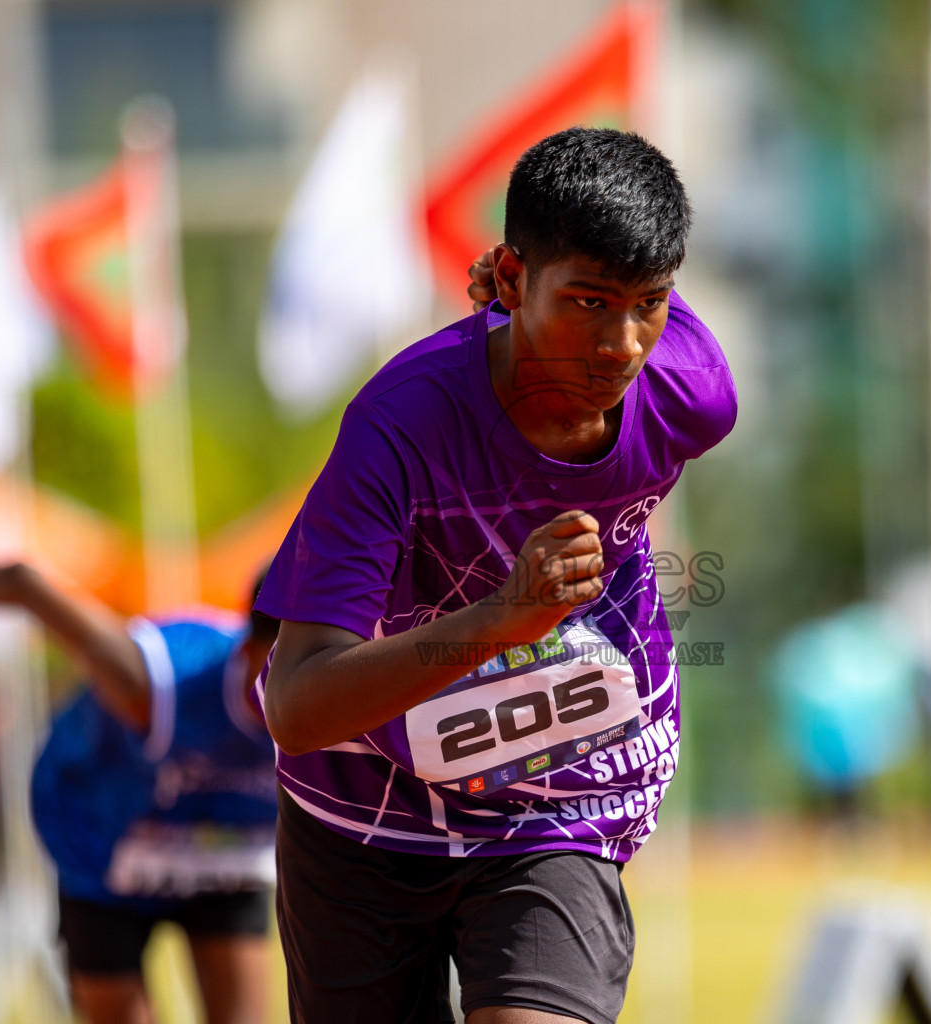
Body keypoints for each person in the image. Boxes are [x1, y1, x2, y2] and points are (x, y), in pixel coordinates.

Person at [256, 126, 737, 1024]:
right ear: (513, 279)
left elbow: (630, 312)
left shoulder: (692, 395)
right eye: (589, 302)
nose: (621, 345)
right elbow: (298, 704)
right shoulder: (398, 428)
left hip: (560, 786)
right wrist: (504, 617)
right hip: (363, 805)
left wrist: (548, 305)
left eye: (650, 304)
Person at [0, 558, 280, 1024]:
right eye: (284, 665)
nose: (303, 685)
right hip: (102, 846)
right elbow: (24, 582)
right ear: (247, 651)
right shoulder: (159, 682)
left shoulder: (341, 696)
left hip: (224, 847)